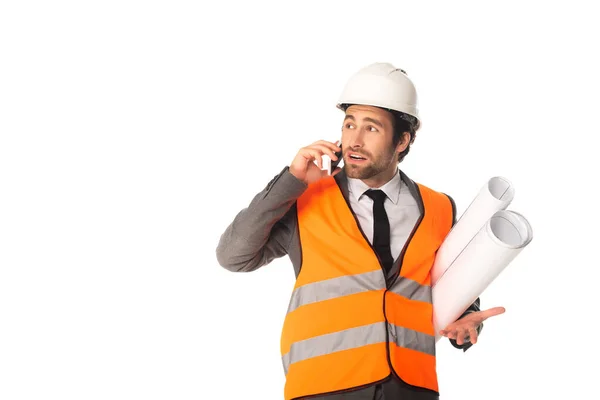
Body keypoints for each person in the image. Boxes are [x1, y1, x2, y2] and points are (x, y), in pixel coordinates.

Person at [216, 62, 506, 400]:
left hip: (409, 389)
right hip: (322, 388)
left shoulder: (439, 207)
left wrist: (467, 318)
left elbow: (453, 282)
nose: (353, 140)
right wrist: (290, 181)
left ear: (402, 140)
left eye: (371, 128)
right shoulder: (304, 197)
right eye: (349, 124)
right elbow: (233, 256)